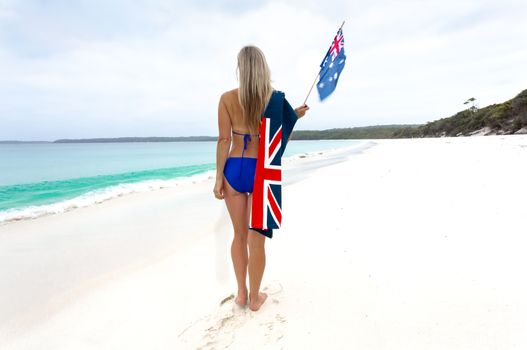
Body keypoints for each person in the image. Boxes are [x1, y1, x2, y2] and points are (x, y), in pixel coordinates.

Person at [213, 45, 309, 311]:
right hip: (261, 170)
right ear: (263, 68)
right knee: (257, 239)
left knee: (239, 236)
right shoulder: (274, 99)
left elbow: (223, 140)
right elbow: (281, 139)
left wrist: (218, 178)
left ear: (240, 69)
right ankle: (255, 298)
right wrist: (294, 117)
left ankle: (241, 294)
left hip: (234, 169)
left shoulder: (227, 98)